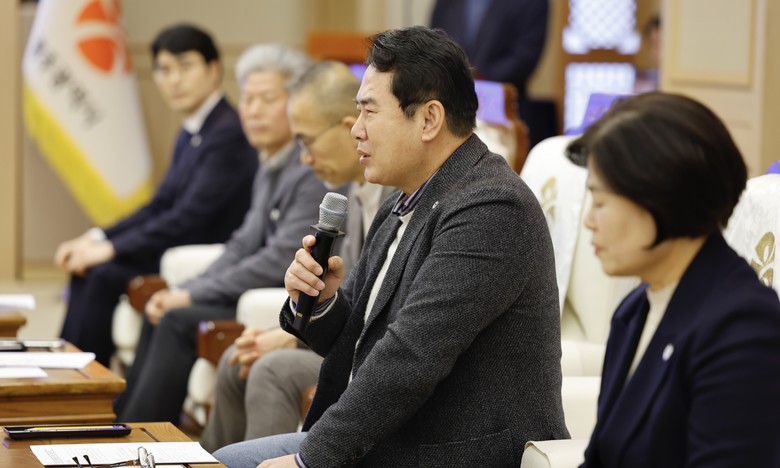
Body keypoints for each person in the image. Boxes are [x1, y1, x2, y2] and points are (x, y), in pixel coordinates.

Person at [215, 26, 568, 468]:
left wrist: (310, 460)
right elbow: (356, 339)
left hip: (452, 453)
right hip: (398, 441)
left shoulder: (491, 207)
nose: (356, 130)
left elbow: (409, 357)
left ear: (429, 119)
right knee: (224, 460)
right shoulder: (404, 199)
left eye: (369, 112)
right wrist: (322, 303)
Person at [114, 43, 329, 425]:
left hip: (274, 297)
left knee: (178, 319)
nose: (253, 111)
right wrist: (186, 289)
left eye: (267, 99)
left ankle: (140, 431)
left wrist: (192, 295)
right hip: (247, 291)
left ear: (297, 104)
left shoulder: (312, 169)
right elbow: (243, 244)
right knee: (165, 308)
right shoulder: (271, 161)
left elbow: (278, 259)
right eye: (247, 99)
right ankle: (124, 423)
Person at [564, 93, 780, 467]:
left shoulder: (743, 326)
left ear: (660, 198)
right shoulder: (636, 309)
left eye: (600, 203)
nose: (589, 221)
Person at [199, 61, 395, 452]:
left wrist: (293, 343)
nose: (304, 159)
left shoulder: (396, 195)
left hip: (372, 358)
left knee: (271, 369)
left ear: (348, 128)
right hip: (346, 342)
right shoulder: (350, 194)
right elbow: (350, 298)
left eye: (306, 142)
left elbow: (380, 315)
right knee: (237, 358)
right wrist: (290, 332)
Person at [57, 24, 258, 366]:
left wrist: (111, 249)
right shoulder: (194, 128)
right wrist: (98, 238)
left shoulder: (227, 132)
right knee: (88, 267)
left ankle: (83, 379)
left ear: (213, 69)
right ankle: (66, 369)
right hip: (172, 246)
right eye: (164, 69)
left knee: (101, 273)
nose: (174, 80)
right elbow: (161, 204)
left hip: (199, 254)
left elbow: (188, 218)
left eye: (185, 67)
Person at [430, 0, 551, 146]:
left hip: (503, 117)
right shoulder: (446, 3)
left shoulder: (532, 3)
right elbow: (433, 44)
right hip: (448, 111)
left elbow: (526, 56)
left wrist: (478, 77)